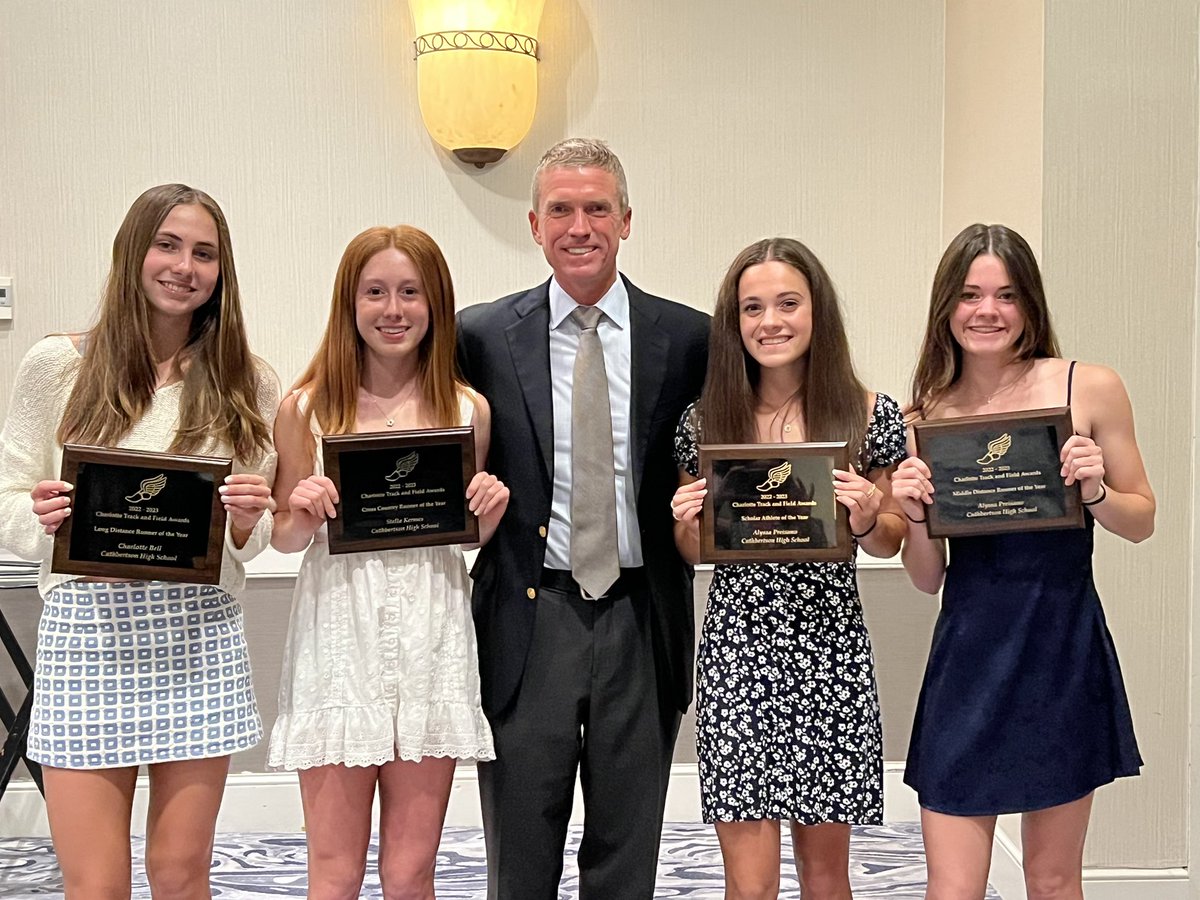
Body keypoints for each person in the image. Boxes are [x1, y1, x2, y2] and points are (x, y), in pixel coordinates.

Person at [0, 184, 278, 898]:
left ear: (221, 270)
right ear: (133, 251)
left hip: (198, 637)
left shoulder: (248, 381)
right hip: (86, 633)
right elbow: (7, 499)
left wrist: (249, 519)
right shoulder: (57, 365)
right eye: (167, 245)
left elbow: (252, 536)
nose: (185, 266)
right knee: (95, 885)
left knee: (182, 875)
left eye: (204, 253)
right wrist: (41, 518)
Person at [456, 137, 710, 899]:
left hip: (642, 613)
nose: (579, 226)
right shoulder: (480, 336)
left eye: (597, 208)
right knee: (520, 845)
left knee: (627, 844)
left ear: (626, 220)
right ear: (535, 225)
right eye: (560, 210)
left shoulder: (690, 339)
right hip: (529, 614)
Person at [892, 224, 1154, 900]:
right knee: (952, 888)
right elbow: (927, 577)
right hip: (967, 657)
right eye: (970, 294)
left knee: (1053, 880)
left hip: (1059, 650)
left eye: (1006, 295)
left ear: (1030, 304)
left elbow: (1142, 520)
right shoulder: (922, 417)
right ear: (946, 307)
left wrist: (1096, 491)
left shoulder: (1089, 387)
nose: (988, 311)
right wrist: (914, 513)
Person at [267, 225, 506, 899]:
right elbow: (282, 537)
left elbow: (462, 537)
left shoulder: (467, 409)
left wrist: (488, 513)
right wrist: (302, 511)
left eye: (410, 292)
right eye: (374, 292)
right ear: (349, 302)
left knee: (411, 872)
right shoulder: (306, 409)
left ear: (436, 305)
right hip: (340, 643)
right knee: (335, 872)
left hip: (432, 641)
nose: (393, 309)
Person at [670, 237, 907, 900]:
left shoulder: (869, 415)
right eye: (752, 308)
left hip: (829, 652)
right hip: (738, 652)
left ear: (816, 311)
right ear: (734, 322)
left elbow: (890, 539)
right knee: (749, 886)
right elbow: (693, 550)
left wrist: (867, 516)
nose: (769, 321)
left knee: (826, 879)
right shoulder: (705, 422)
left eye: (787, 303)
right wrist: (686, 521)